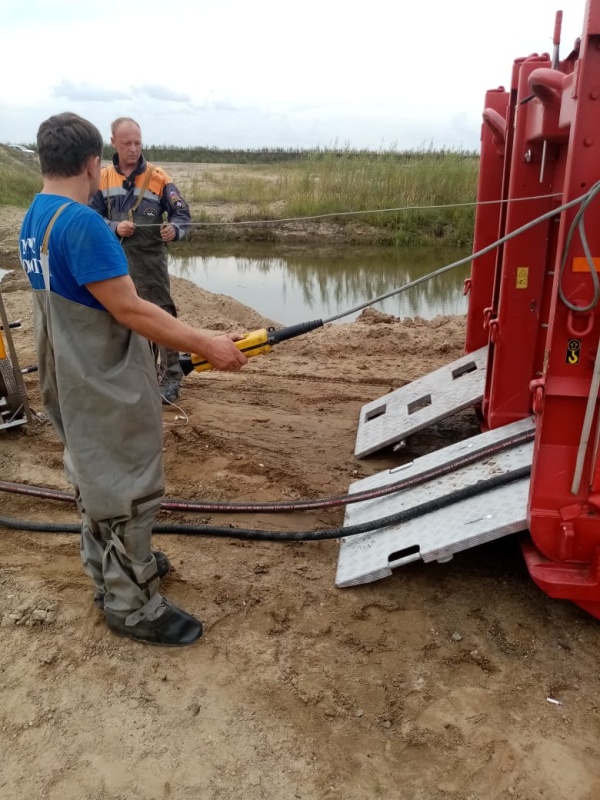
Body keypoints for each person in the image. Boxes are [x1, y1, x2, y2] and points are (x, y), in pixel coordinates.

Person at [19, 112, 247, 647]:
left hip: (65, 371)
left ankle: (112, 570)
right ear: (93, 162)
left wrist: (201, 333)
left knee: (96, 474)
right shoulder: (84, 225)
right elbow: (135, 311)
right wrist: (208, 343)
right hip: (102, 377)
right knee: (130, 483)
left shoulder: (36, 216)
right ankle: (131, 604)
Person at [89, 117, 190, 405]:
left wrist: (175, 230)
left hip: (150, 262)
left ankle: (171, 377)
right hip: (115, 262)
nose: (133, 149)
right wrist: (113, 226)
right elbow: (89, 216)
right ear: (113, 143)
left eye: (137, 143)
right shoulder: (104, 178)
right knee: (125, 318)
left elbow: (182, 215)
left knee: (161, 315)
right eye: (126, 144)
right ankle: (141, 375)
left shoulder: (159, 177)